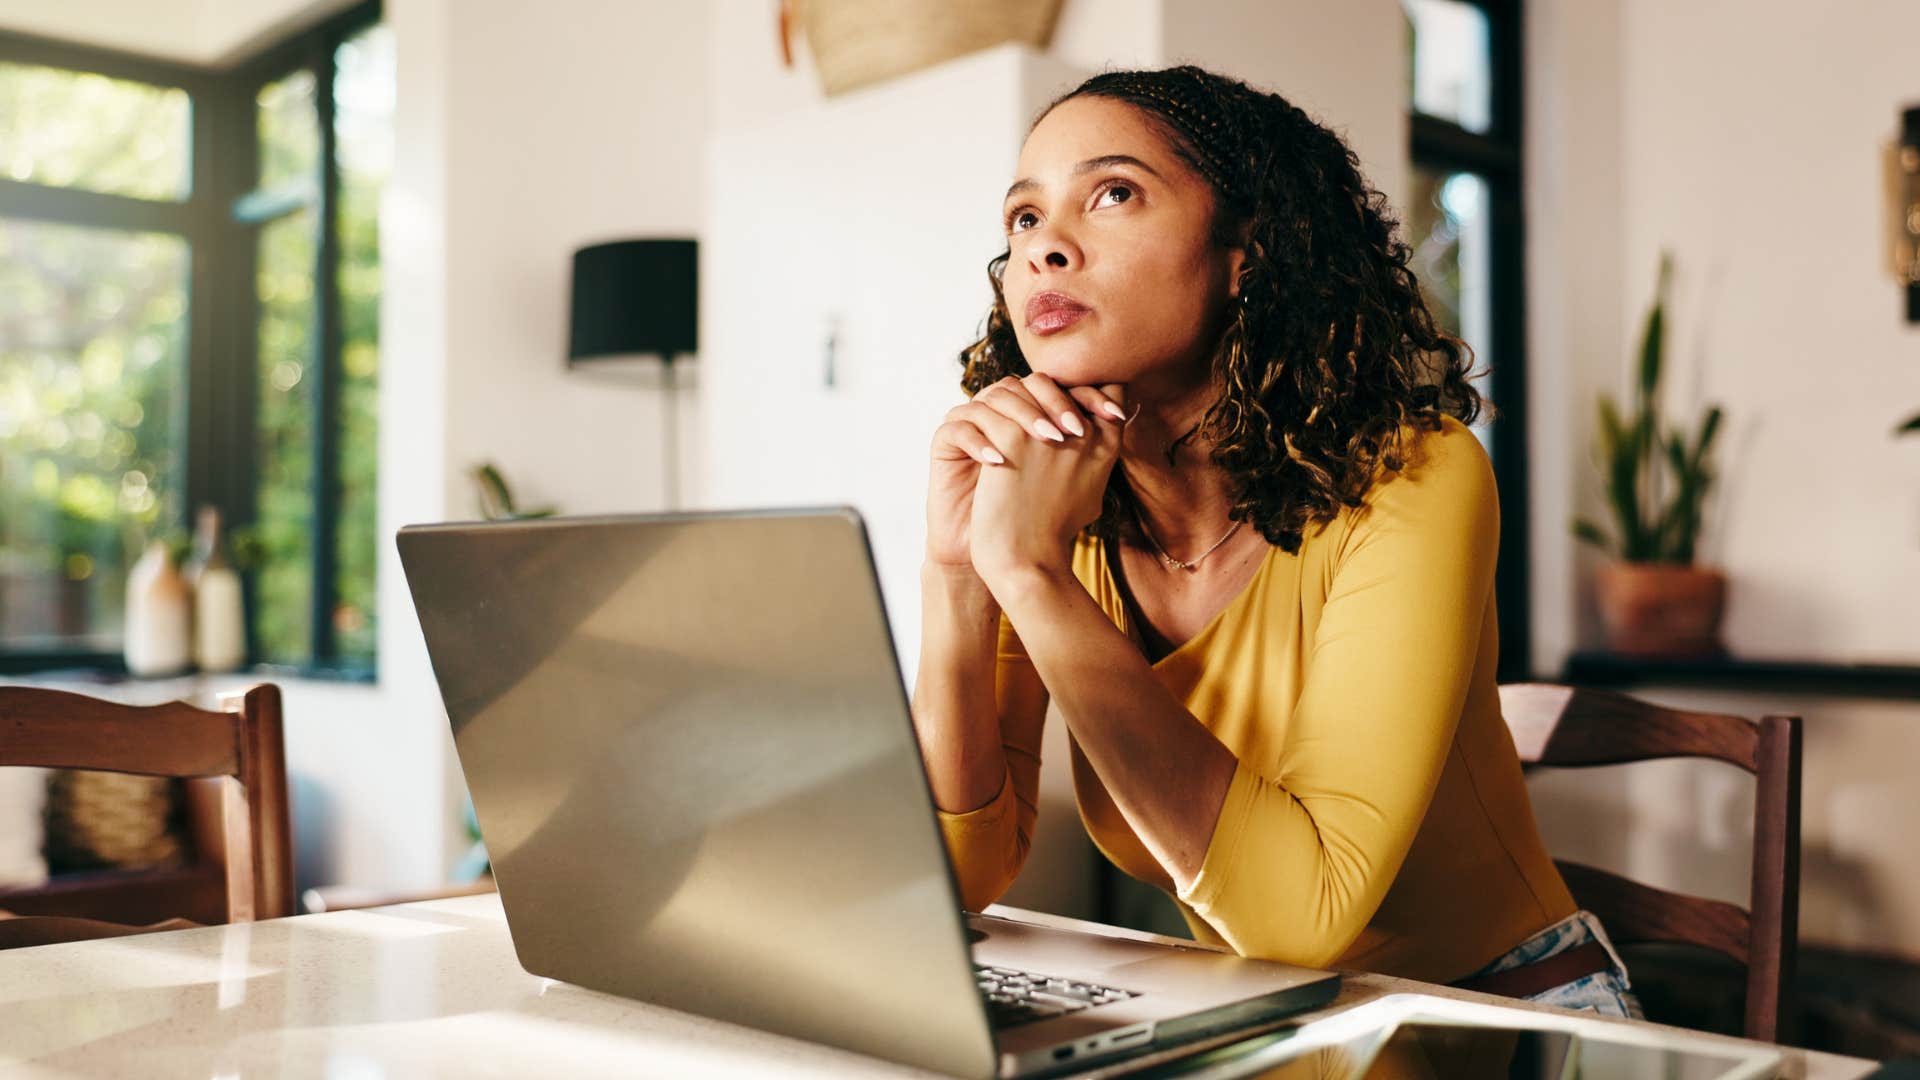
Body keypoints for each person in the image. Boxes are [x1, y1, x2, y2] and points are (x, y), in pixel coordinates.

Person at [909, 65, 1641, 1019]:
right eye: (1024, 219)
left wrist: (1030, 573)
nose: (1047, 247)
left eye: (1113, 193)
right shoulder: (1056, 507)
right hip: (1267, 1017)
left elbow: (1306, 913)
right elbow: (957, 874)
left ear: (1246, 251)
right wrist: (959, 571)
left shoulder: (1412, 475)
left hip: (1504, 1019)